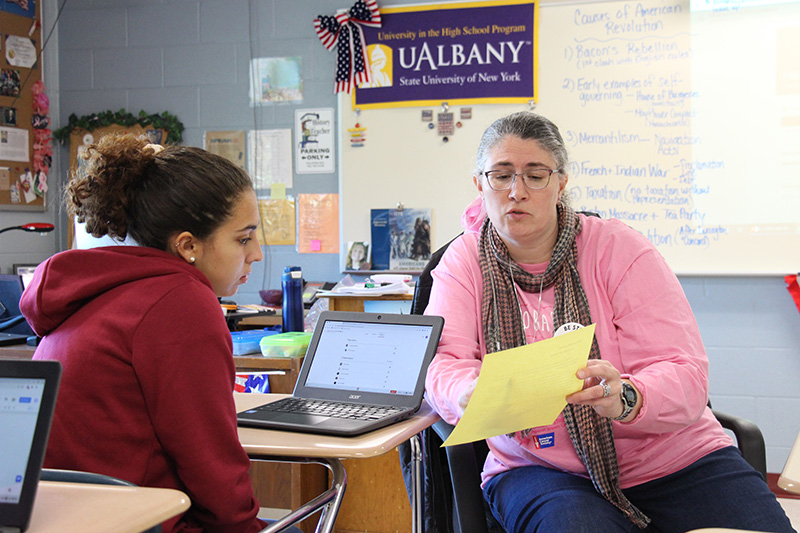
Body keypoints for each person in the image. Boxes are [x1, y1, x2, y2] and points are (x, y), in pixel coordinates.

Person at [423, 112, 795, 533]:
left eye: (535, 175)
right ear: (479, 183)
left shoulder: (620, 249)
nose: (516, 191)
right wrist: (469, 392)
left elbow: (687, 374)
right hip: (541, 468)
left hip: (671, 458)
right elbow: (443, 363)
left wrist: (627, 397)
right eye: (501, 175)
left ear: (561, 183)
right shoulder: (462, 263)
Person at [20, 134, 277, 533]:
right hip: (135, 520)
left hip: (63, 518)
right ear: (188, 245)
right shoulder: (180, 300)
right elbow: (212, 467)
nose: (256, 253)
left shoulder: (101, 287)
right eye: (243, 238)